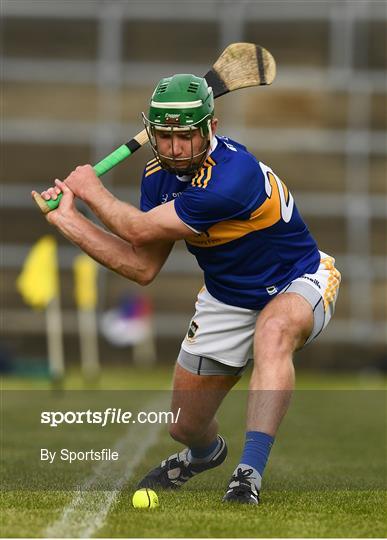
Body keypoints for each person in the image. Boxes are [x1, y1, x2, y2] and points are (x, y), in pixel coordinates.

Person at [37, 74, 341, 504]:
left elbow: (135, 226)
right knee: (183, 425)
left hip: (297, 278)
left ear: (210, 129)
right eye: (164, 136)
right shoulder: (157, 177)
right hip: (226, 297)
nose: (175, 148)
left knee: (273, 332)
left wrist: (90, 189)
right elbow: (141, 265)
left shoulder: (234, 175)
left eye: (185, 136)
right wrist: (69, 220)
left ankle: (247, 474)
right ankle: (202, 455)